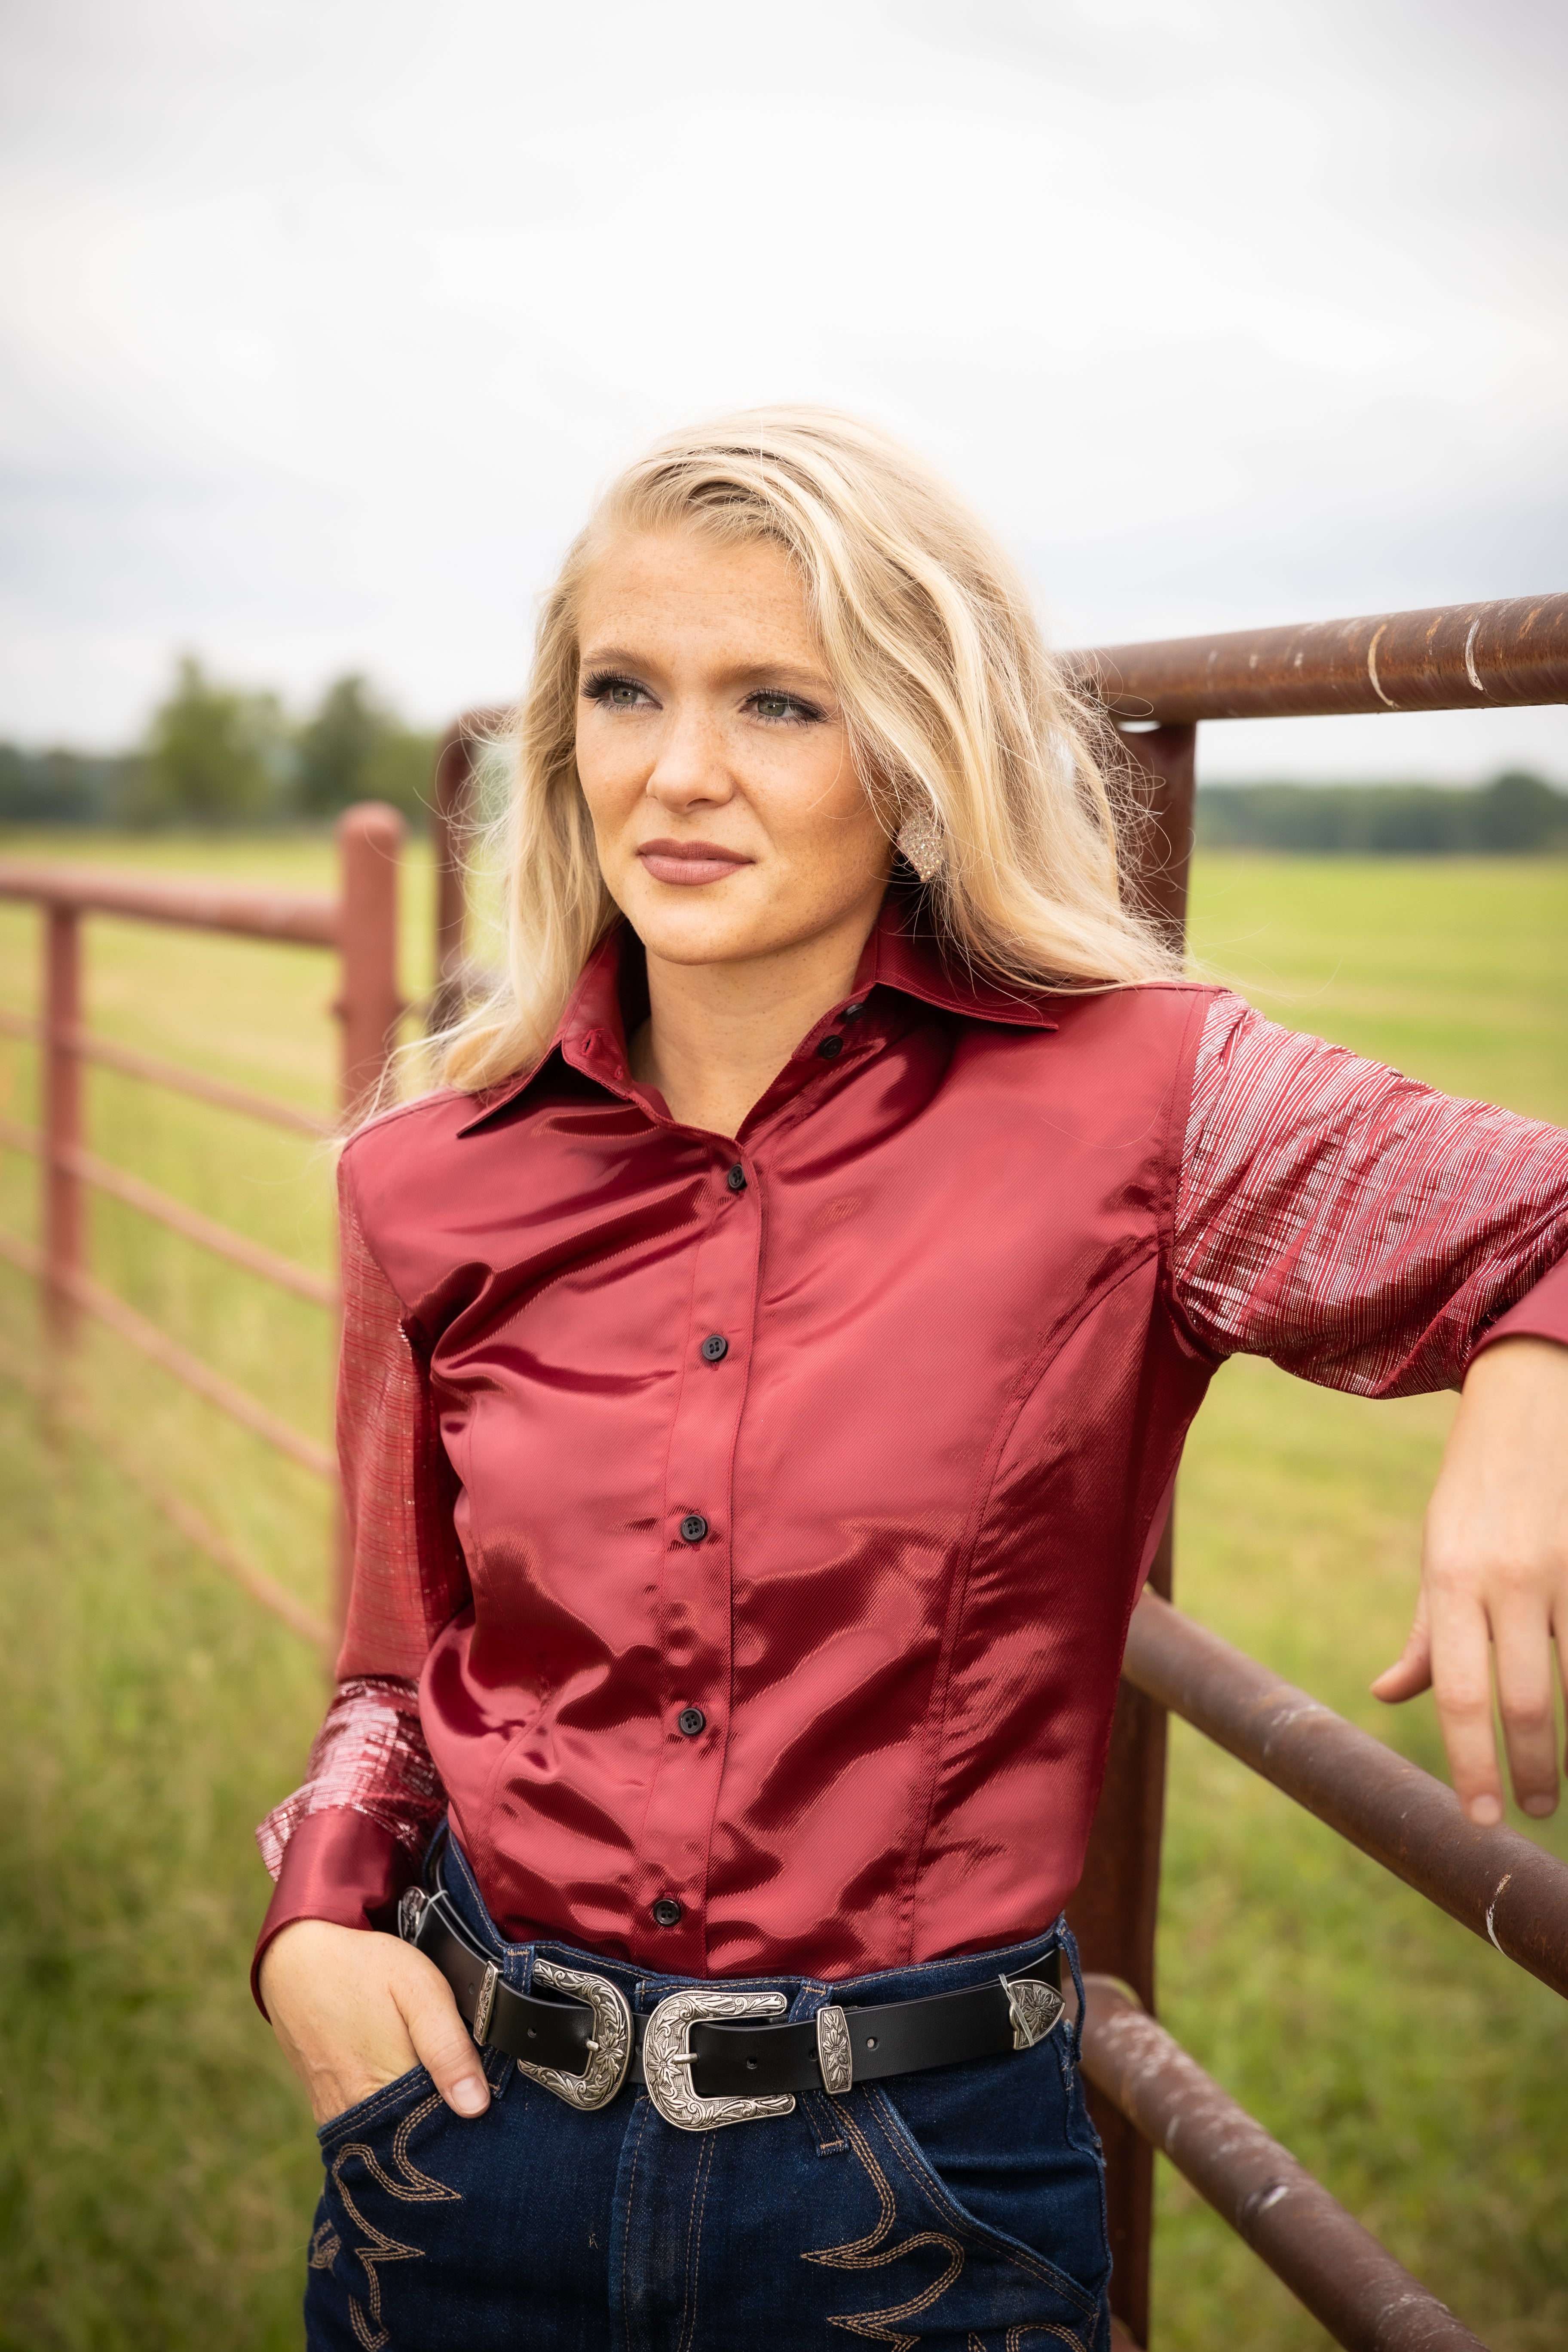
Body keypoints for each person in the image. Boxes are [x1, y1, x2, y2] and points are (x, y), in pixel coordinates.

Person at [255, 409, 1568, 2352]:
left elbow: (1540, 1218)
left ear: (918, 743)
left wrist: (1525, 1404)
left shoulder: (1149, 1106)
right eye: (627, 691)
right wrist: (312, 1921)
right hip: (463, 2143)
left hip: (913, 2186)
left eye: (780, 704)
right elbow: (392, 1672)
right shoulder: (431, 1176)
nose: (679, 775)